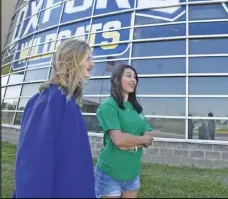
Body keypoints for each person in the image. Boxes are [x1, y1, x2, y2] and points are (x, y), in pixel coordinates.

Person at [12, 39, 96, 198]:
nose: (92, 64)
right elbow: (33, 164)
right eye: (88, 59)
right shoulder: (51, 100)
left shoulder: (67, 100)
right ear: (72, 59)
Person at [94, 63, 154, 198]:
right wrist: (141, 142)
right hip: (110, 173)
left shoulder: (137, 108)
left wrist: (130, 144)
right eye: (129, 76)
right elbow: (119, 140)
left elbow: (148, 135)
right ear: (117, 79)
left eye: (135, 77)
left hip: (132, 173)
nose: (134, 80)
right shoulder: (109, 105)